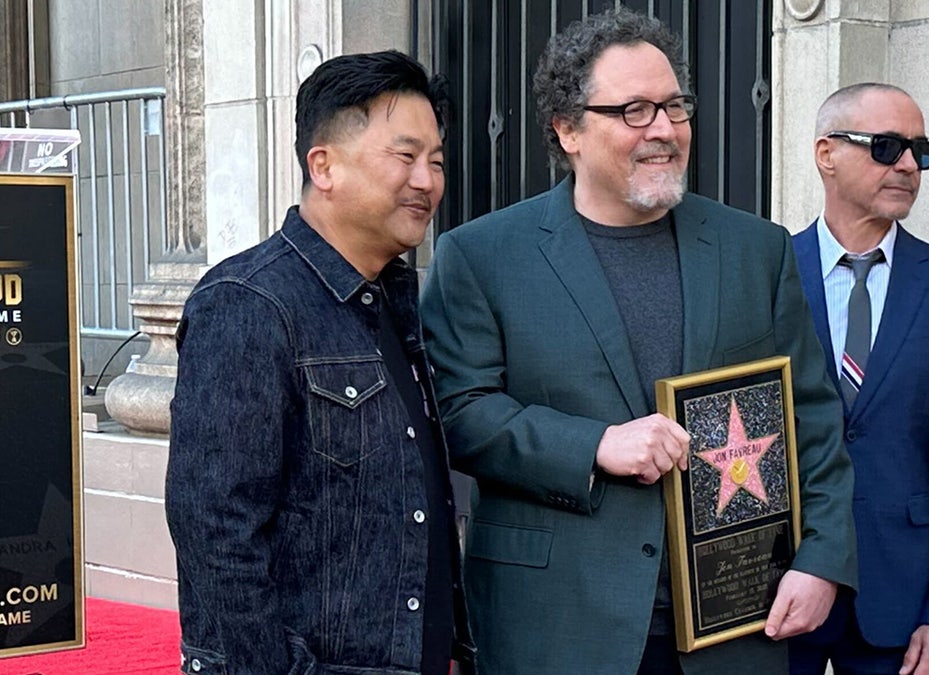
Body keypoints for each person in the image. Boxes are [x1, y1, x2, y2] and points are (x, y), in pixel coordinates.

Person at [420, 9, 856, 675]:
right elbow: (458, 414)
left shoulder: (755, 249)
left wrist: (822, 559)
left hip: (732, 625)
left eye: (675, 105)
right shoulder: (480, 256)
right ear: (567, 129)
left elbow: (811, 419)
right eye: (634, 110)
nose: (664, 129)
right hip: (557, 623)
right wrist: (594, 445)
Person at [165, 50, 474, 675]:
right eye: (405, 156)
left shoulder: (395, 299)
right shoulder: (248, 303)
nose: (427, 181)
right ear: (323, 165)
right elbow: (216, 527)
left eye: (436, 162)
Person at [787, 83, 929, 675]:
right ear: (826, 153)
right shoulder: (766, 269)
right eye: (885, 146)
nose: (907, 164)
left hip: (902, 601)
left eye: (920, 151)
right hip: (780, 589)